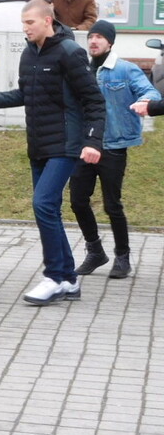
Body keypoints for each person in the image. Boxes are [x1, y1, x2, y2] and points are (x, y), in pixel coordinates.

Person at [0, 0, 105, 305]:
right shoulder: (29, 54)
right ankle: (69, 280)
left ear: (47, 21)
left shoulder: (69, 52)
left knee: (42, 204)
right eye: (23, 23)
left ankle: (53, 277)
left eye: (30, 22)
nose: (25, 28)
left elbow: (94, 100)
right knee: (49, 209)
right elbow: (23, 94)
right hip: (38, 144)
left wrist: (93, 141)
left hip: (66, 145)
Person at [69, 20, 158, 278]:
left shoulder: (125, 69)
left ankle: (122, 256)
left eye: (99, 37)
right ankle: (95, 251)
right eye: (91, 36)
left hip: (113, 145)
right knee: (77, 201)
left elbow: (151, 93)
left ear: (110, 42)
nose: (93, 41)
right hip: (86, 145)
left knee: (112, 205)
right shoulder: (82, 69)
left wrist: (145, 102)